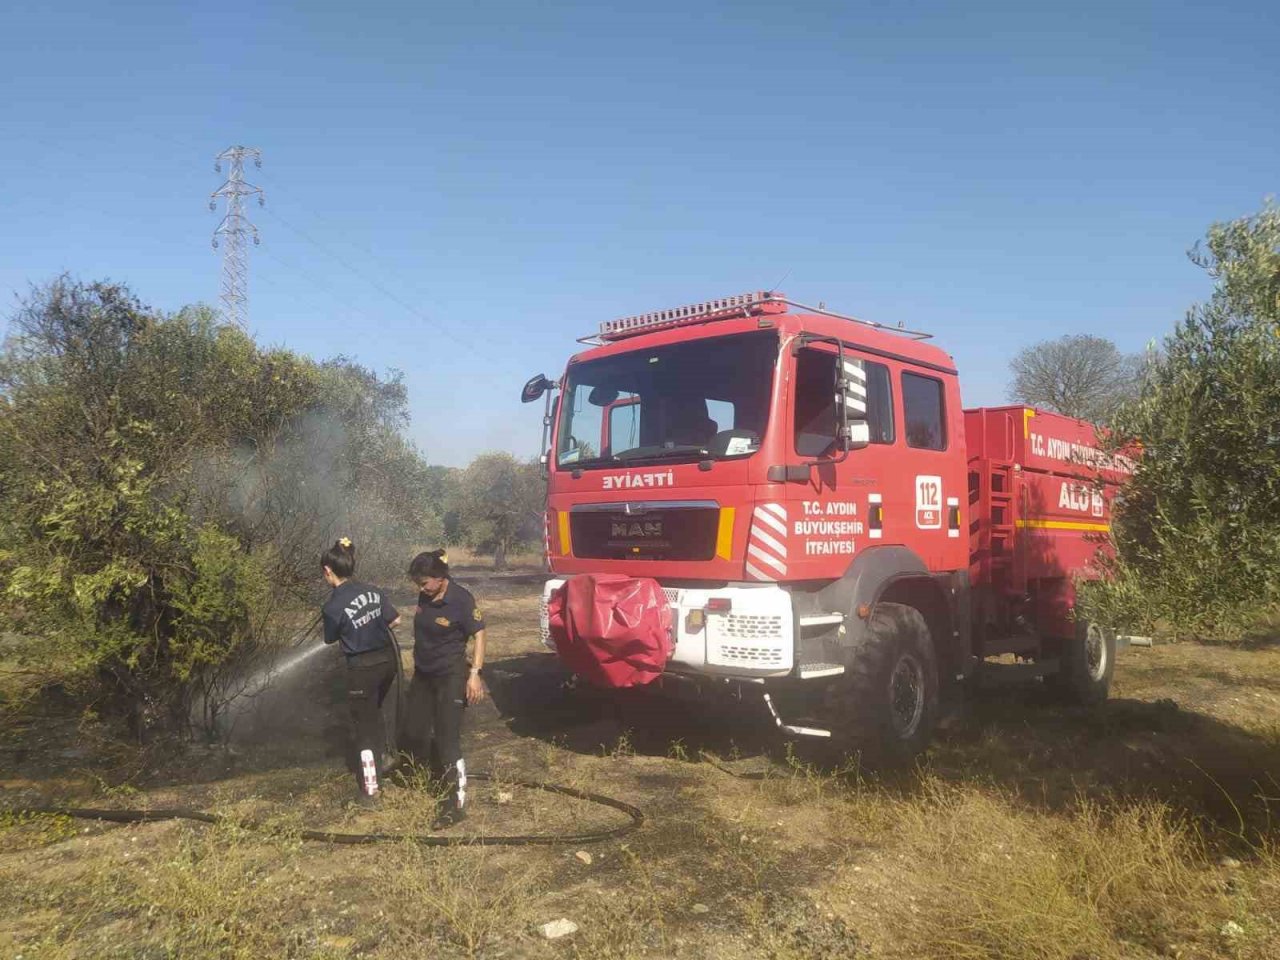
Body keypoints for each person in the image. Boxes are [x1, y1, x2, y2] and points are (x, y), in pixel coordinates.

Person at [403, 549, 486, 828]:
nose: (421, 588)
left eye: (425, 582)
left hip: (451, 676)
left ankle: (455, 803)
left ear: (440, 578)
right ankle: (436, 776)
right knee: (413, 730)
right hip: (424, 675)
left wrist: (474, 674)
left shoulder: (461, 599)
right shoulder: (425, 595)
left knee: (446, 738)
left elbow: (480, 634)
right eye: (418, 584)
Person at [320, 537, 401, 805]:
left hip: (361, 670)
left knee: (363, 728)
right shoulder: (373, 591)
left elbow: (330, 638)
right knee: (378, 713)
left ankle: (370, 790)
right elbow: (396, 619)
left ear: (328, 571)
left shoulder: (332, 606)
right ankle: (387, 758)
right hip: (388, 663)